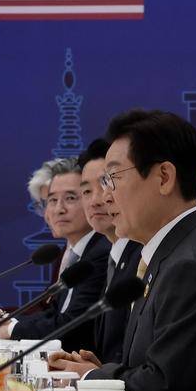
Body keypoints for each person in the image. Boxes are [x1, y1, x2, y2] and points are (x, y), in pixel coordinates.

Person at [50, 110, 196, 391]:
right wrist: (103, 372)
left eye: (113, 178)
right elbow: (152, 367)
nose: (105, 196)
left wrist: (91, 377)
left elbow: (162, 387)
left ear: (164, 178)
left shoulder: (191, 264)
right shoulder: (164, 254)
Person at [0, 158, 110, 350]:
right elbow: (53, 312)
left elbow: (74, 325)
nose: (58, 210)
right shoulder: (71, 251)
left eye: (70, 198)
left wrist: (9, 328)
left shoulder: (101, 252)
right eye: (52, 200)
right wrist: (5, 320)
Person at [76, 138, 142, 363]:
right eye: (86, 191)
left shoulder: (142, 258)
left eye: (106, 183)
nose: (97, 200)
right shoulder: (114, 256)